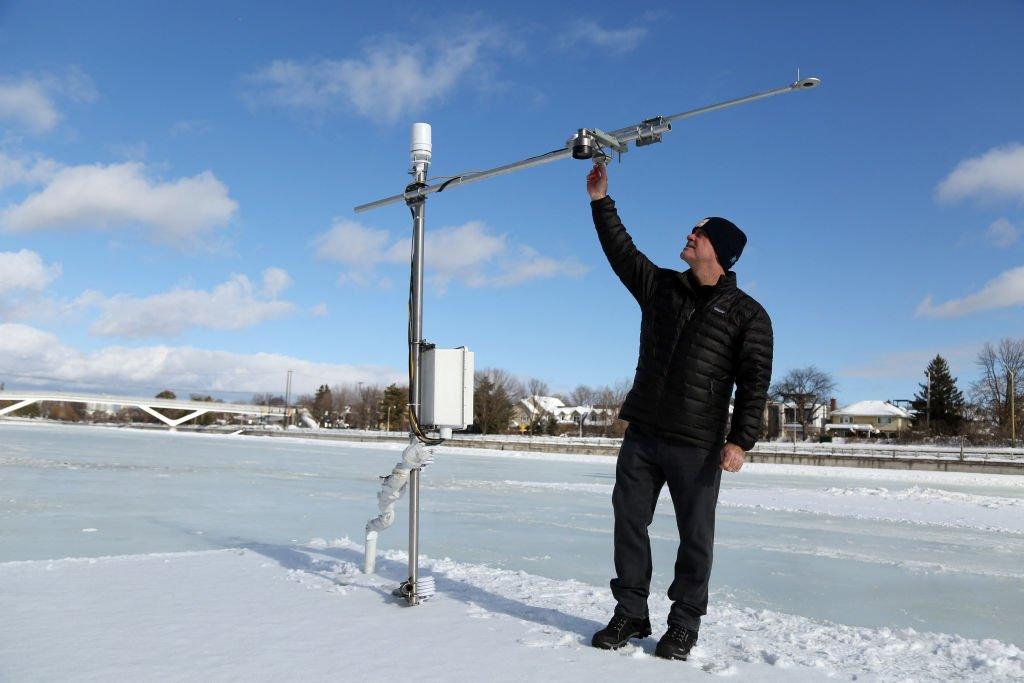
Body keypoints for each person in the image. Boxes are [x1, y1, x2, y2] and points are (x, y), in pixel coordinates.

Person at [586, 162, 773, 661]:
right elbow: (622, 254)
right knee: (629, 520)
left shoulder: (748, 315)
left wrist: (741, 440)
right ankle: (630, 613)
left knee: (695, 538)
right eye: (693, 230)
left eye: (700, 233)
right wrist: (601, 201)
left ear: (721, 251)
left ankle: (684, 623)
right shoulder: (662, 288)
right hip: (644, 432)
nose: (690, 235)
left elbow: (755, 384)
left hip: (698, 443)